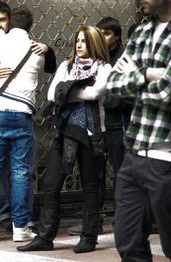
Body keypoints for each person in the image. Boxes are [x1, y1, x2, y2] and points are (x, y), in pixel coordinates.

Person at [17, 25, 111, 253]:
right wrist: (72, 92)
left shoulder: (104, 67)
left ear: (95, 44)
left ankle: (89, 237)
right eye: (77, 40)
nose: (79, 45)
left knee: (90, 187)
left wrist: (66, 91)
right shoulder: (65, 66)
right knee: (50, 186)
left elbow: (95, 93)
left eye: (85, 41)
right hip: (64, 132)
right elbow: (51, 95)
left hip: (91, 135)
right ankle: (44, 237)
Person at [0, 0, 57, 234]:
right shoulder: (36, 50)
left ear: (10, 22)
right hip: (22, 114)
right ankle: (21, 227)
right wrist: (46, 47)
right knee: (20, 172)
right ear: (31, 26)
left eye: (2, 21)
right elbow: (48, 69)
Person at [106, 0, 171, 260]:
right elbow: (112, 85)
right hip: (134, 155)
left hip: (167, 159)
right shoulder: (142, 32)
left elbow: (168, 92)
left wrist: (134, 78)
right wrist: (148, 75)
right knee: (128, 242)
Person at [67, 16, 132, 236]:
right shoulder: (93, 59)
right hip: (96, 125)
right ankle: (94, 222)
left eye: (107, 34)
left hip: (116, 124)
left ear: (117, 36)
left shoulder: (124, 58)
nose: (103, 38)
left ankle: (123, 222)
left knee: (122, 173)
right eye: (100, 33)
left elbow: (128, 91)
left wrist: (111, 101)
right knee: (94, 176)